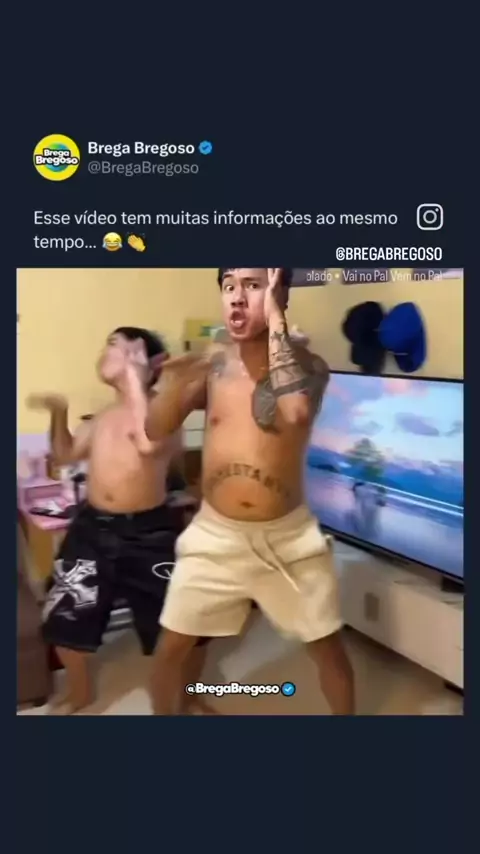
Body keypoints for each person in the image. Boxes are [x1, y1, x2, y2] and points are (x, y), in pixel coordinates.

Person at [146, 269, 355, 715]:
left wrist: (276, 320)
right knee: (171, 649)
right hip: (215, 535)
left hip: (288, 539)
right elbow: (155, 428)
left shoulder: (310, 367)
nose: (238, 298)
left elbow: (294, 412)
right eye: (229, 287)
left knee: (328, 649)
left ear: (281, 295)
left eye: (254, 286)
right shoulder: (213, 366)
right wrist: (170, 382)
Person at [27, 327, 210, 715]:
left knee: (181, 623)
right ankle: (80, 692)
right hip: (92, 528)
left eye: (114, 344)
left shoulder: (165, 412)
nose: (104, 351)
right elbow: (65, 456)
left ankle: (188, 693)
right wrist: (59, 412)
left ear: (147, 361)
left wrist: (137, 379)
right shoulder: (102, 417)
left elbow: (150, 442)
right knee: (65, 615)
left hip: (149, 533)